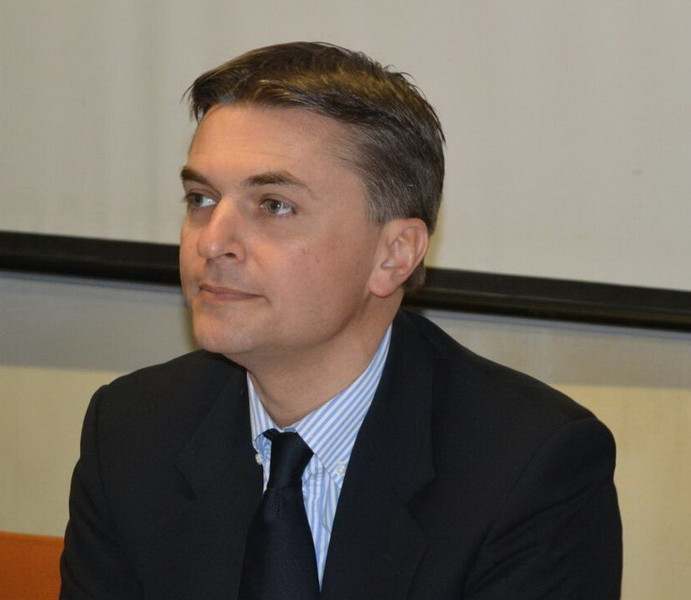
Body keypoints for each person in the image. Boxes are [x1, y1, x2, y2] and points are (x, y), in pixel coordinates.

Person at [60, 42, 622, 599]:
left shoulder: (529, 466)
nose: (212, 243)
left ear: (394, 255)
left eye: (274, 205)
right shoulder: (133, 430)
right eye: (201, 199)